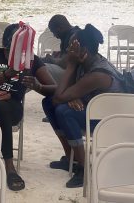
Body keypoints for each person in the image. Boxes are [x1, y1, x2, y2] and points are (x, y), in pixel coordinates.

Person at [42, 24, 125, 188]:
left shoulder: (98, 73)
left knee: (64, 111)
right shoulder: (86, 61)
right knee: (48, 103)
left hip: (109, 119)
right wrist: (72, 95)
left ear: (83, 49)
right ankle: (71, 158)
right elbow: (63, 92)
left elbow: (60, 96)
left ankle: (84, 167)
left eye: (72, 47)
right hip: (95, 110)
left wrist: (71, 65)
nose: (68, 51)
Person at [0, 23, 56, 191]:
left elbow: (54, 87)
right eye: (11, 49)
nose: (15, 54)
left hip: (13, 107)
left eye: (21, 50)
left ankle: (9, 167)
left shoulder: (33, 60)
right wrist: (5, 74)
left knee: (2, 109)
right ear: (6, 44)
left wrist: (37, 86)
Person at [43, 14, 81, 83]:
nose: (54, 36)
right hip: (70, 71)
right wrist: (61, 54)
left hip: (74, 75)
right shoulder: (70, 33)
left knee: (40, 68)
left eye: (54, 32)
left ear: (60, 28)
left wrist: (51, 59)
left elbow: (66, 64)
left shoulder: (74, 37)